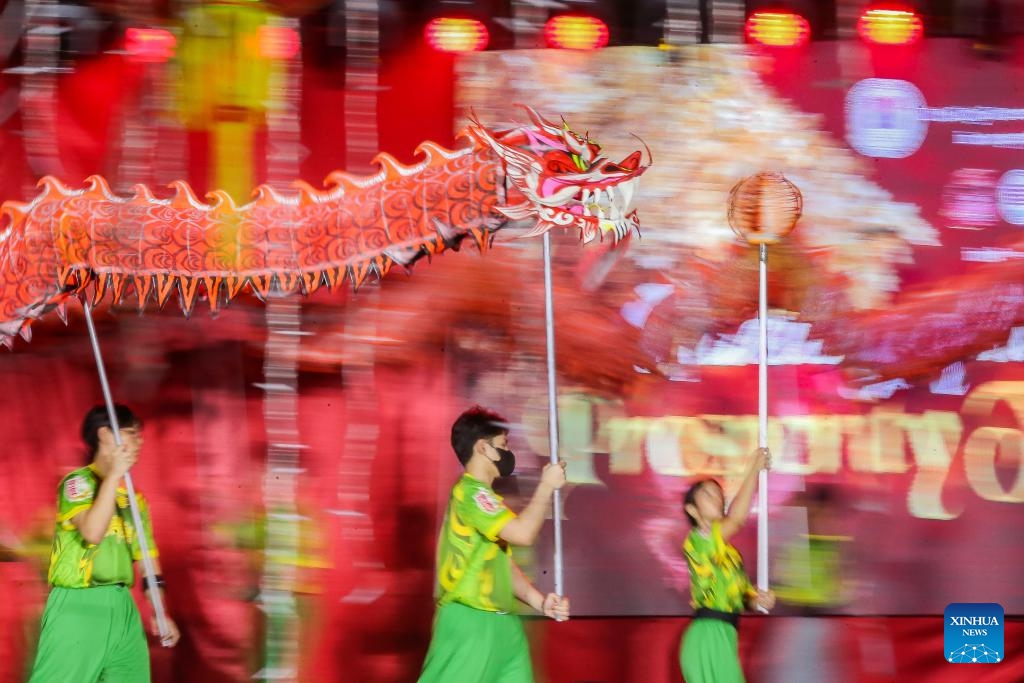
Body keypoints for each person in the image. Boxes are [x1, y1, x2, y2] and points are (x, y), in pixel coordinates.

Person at [28, 404, 180, 683]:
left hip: (122, 606)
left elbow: (147, 558)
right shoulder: (77, 484)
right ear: (105, 436)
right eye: (132, 433)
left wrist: (160, 611)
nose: (140, 441)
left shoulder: (135, 500)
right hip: (79, 603)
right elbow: (92, 532)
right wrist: (112, 475)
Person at [418, 406, 570, 683]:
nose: (508, 453)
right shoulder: (470, 493)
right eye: (503, 445)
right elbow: (523, 534)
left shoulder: (488, 502)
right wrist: (546, 487)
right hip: (471, 623)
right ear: (483, 448)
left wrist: (540, 602)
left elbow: (501, 564)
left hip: (505, 626)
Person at [679, 447, 775, 683]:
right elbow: (737, 519)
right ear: (692, 509)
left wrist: (759, 600)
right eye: (708, 495)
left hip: (725, 636)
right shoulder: (698, 541)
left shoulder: (730, 554)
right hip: (707, 636)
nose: (718, 498)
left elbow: (743, 598)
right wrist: (753, 469)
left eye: (719, 495)